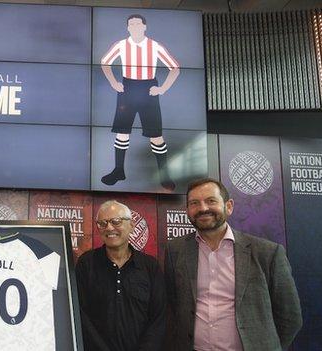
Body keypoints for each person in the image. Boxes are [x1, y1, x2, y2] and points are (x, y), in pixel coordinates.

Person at [164, 178, 302, 350]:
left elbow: (290, 316)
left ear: (228, 206)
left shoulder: (266, 253)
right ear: (187, 211)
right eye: (194, 203)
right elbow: (171, 306)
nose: (203, 208)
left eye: (211, 201)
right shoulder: (175, 250)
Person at [100, 14, 180, 190]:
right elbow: (104, 62)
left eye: (138, 23)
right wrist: (114, 83)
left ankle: (164, 174)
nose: (135, 26)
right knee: (122, 132)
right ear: (128, 28)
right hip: (127, 87)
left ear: (145, 26)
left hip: (148, 89)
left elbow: (175, 68)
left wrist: (162, 89)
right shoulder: (121, 45)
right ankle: (119, 170)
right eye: (131, 24)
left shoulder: (155, 46)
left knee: (156, 135)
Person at [76, 200, 165, 350]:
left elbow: (158, 317)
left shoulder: (150, 266)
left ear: (131, 226)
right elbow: (81, 315)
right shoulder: (86, 263)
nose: (109, 228)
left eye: (116, 221)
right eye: (102, 223)